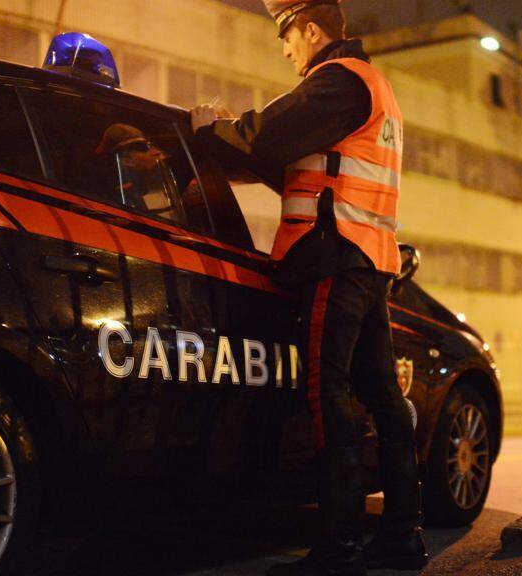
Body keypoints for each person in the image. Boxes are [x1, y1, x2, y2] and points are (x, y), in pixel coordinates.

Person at [190, 2, 425, 574]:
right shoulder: (377, 89)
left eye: (287, 35)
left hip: (332, 256)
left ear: (313, 30)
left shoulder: (337, 82)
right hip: (368, 260)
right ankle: (401, 537)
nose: (285, 48)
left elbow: (266, 135)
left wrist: (208, 129)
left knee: (328, 397)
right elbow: (301, 166)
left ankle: (339, 547)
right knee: (384, 402)